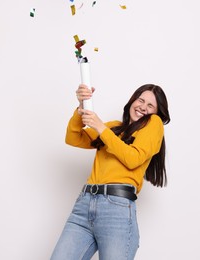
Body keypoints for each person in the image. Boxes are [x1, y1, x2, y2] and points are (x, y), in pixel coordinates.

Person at [51, 83, 171, 260]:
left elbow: (133, 159)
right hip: (84, 206)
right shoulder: (114, 128)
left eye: (150, 106)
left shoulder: (154, 124)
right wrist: (81, 107)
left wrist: (101, 128)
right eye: (140, 100)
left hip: (117, 209)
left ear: (156, 112)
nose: (143, 107)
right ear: (132, 101)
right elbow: (73, 138)